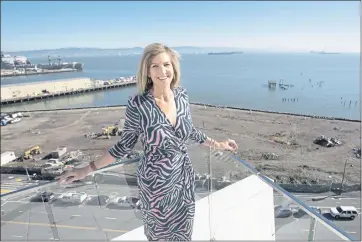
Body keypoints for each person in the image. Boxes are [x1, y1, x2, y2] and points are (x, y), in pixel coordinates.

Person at [57, 43, 238, 241]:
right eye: (155, 66)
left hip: (183, 178)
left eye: (166, 64)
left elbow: (189, 131)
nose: (163, 71)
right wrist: (86, 170)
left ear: (174, 67)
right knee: (160, 236)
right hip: (156, 184)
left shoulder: (182, 96)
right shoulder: (138, 104)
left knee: (184, 234)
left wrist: (218, 144)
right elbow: (124, 146)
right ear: (147, 71)